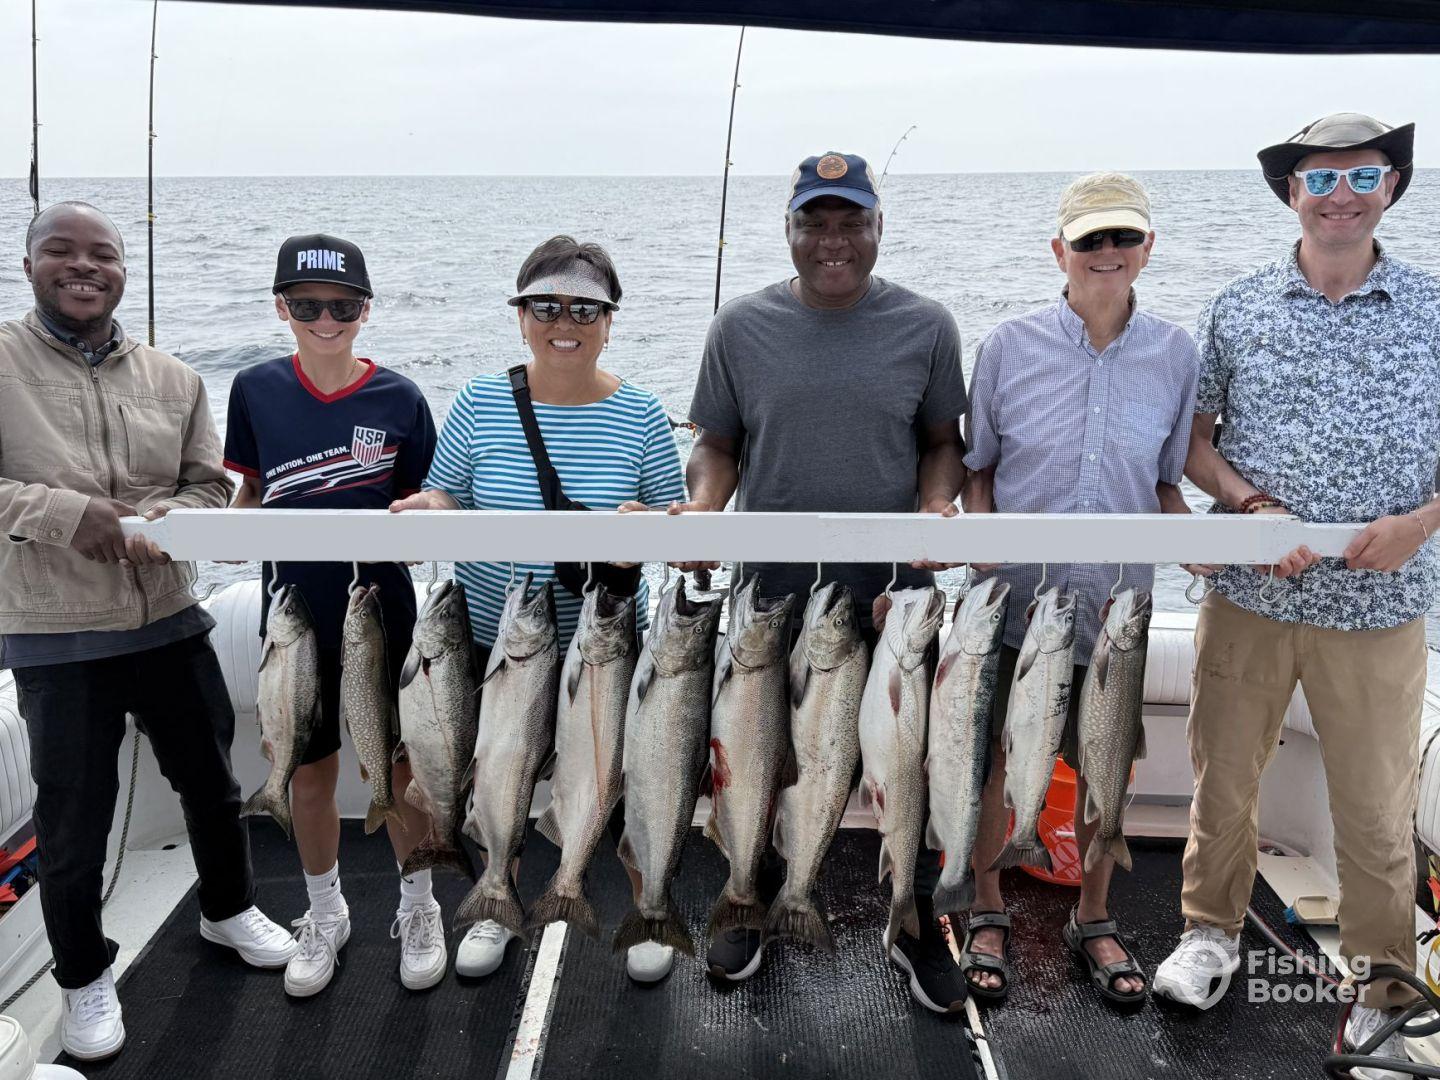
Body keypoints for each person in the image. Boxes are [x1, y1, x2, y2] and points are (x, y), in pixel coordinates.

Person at [1152, 113, 1440, 1078]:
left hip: (1380, 608)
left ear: (1392, 187)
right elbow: (1194, 441)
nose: (1342, 195)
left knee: (1373, 807)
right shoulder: (1237, 308)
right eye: (1321, 181)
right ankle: (1208, 936)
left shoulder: (1435, 308)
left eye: (1363, 175)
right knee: (1222, 784)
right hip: (1252, 600)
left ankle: (1385, 986)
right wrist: (1246, 504)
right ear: (1291, 195)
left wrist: (1422, 522)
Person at [0, 203, 295, 1062]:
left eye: (103, 255)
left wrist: (180, 512)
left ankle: (229, 907)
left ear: (124, 271)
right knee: (73, 826)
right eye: (61, 251)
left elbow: (211, 488)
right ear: (29, 264)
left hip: (169, 620)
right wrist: (59, 512)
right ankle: (84, 980)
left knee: (213, 785)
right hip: (57, 637)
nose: (83, 267)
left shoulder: (174, 377)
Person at [679, 152, 968, 1011]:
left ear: (878, 228)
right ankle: (750, 895)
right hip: (771, 595)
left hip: (889, 596)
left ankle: (913, 920)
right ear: (791, 230)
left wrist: (936, 506)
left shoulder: (927, 325)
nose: (833, 240)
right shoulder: (740, 326)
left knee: (901, 762)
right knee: (757, 757)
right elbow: (718, 445)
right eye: (816, 222)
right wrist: (701, 508)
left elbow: (941, 443)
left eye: (851, 222)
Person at [389, 235, 686, 983]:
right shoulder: (482, 399)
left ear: (610, 320)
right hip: (498, 641)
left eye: (585, 307)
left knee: (616, 778)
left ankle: (647, 901)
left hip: (607, 646)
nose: (566, 321)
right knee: (501, 771)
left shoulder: (644, 414)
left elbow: (674, 519)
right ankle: (498, 892)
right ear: (520, 316)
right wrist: (428, 504)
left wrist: (650, 529)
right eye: (546, 304)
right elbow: (448, 490)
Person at [960, 173, 1199, 1007]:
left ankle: (1093, 917)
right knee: (998, 762)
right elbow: (977, 473)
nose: (1107, 254)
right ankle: (987, 905)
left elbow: (1166, 484)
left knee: (1107, 771)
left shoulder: (1176, 353)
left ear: (1147, 249)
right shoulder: (1006, 346)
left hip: (1118, 612)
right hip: (1018, 606)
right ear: (1058, 250)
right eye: (1090, 240)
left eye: (1122, 239)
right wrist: (983, 553)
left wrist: (1204, 538)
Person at [223, 234, 439, 997]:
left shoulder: (403, 399)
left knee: (401, 766)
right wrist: (199, 523)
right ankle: (326, 911)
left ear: (365, 310)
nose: (325, 319)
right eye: (307, 304)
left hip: (381, 609)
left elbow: (424, 505)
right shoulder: (252, 388)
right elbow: (246, 498)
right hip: (293, 614)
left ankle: (419, 905)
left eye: (341, 306)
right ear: (281, 307)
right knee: (308, 773)